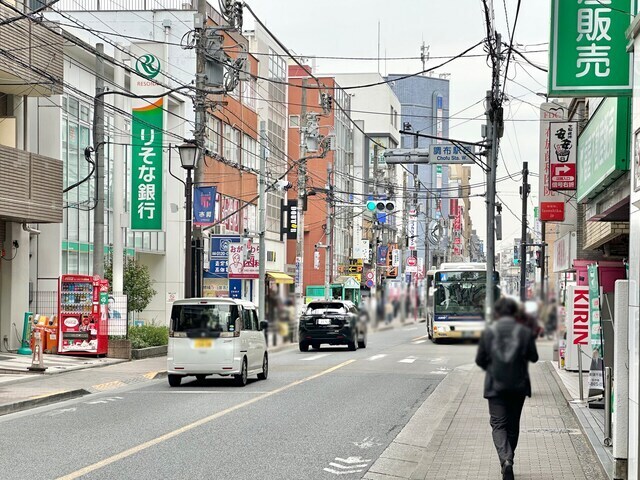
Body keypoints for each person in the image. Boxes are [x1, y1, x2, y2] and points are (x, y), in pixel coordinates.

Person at [475, 297, 539, 480]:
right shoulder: (525, 332)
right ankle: (509, 459)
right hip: (518, 386)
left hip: (495, 386)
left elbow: (480, 360)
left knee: (498, 425)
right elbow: (534, 357)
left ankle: (506, 460)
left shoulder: (489, 332)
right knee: (512, 425)